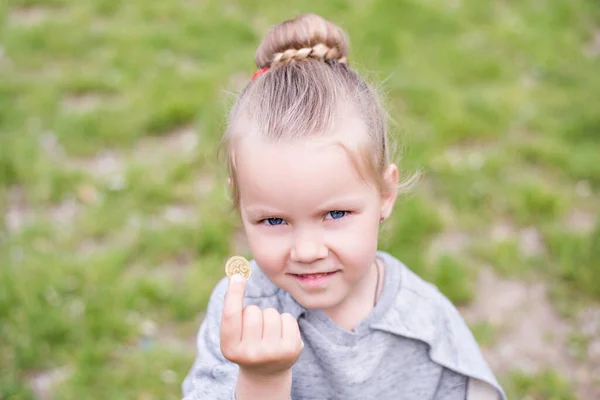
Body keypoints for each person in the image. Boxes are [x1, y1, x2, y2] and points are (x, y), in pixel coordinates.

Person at [182, 13, 506, 400]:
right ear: (240, 204)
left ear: (386, 194)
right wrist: (261, 380)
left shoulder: (427, 329)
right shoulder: (241, 312)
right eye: (273, 219)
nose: (306, 251)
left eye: (335, 214)